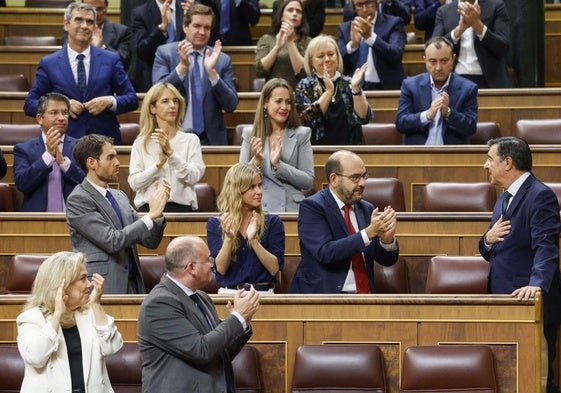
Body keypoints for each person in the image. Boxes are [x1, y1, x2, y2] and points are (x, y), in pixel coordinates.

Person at [479, 137, 561, 393]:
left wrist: (536, 285)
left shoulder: (540, 196)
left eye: (490, 159)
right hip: (503, 301)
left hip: (528, 302)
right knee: (508, 377)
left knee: (536, 378)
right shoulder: (504, 197)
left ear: (508, 162)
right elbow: (490, 249)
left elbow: (546, 246)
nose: (485, 165)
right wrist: (487, 240)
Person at [138, 235, 260, 393]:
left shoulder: (202, 298)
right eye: (208, 259)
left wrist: (244, 321)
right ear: (191, 268)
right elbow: (201, 350)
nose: (212, 264)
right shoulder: (159, 304)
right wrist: (238, 317)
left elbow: (220, 352)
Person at [66, 134, 170, 294]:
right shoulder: (79, 199)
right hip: (101, 287)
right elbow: (112, 241)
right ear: (92, 163)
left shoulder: (119, 196)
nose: (118, 163)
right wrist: (150, 215)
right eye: (110, 157)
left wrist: (158, 214)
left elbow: (150, 241)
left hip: (133, 285)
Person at [23, 3, 138, 145]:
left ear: (94, 27)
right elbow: (30, 104)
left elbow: (132, 99)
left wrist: (109, 101)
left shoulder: (111, 59)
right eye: (78, 20)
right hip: (63, 143)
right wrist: (62, 106)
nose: (84, 26)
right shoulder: (49, 63)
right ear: (66, 24)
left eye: (89, 22)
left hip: (104, 143)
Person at [290, 150, 399, 293]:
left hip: (364, 296)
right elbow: (325, 252)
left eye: (364, 176)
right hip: (324, 298)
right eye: (355, 177)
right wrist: (369, 232)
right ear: (334, 179)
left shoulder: (366, 209)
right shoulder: (313, 207)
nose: (363, 183)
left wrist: (386, 241)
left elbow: (386, 261)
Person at [16, 251, 123, 393]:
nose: (90, 284)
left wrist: (96, 305)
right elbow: (35, 358)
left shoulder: (89, 313)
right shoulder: (32, 318)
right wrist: (57, 315)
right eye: (83, 278)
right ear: (62, 284)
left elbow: (112, 348)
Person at [152, 4, 239, 146]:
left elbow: (231, 105)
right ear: (185, 27)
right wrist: (182, 67)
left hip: (211, 140)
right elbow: (156, 94)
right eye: (197, 26)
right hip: (174, 136)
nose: (202, 32)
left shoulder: (221, 60)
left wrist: (212, 73)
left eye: (207, 28)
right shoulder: (165, 53)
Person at [207, 163, 285, 293]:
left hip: (263, 294)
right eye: (252, 187)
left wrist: (253, 241)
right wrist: (229, 239)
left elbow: (274, 268)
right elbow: (220, 269)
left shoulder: (272, 222)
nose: (259, 192)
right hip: (230, 294)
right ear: (237, 190)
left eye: (260, 185)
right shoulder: (216, 223)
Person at [128, 82, 205, 212]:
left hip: (182, 211)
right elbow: (134, 183)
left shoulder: (191, 140)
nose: (172, 106)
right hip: (148, 211)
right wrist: (158, 165)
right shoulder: (141, 143)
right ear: (153, 108)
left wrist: (171, 154)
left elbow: (194, 176)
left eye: (175, 101)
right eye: (165, 101)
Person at [240, 78, 314, 212]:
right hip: (259, 209)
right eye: (278, 101)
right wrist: (255, 162)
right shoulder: (250, 134)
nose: (284, 107)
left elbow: (308, 181)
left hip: (291, 209)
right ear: (265, 104)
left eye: (288, 102)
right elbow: (239, 181)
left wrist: (279, 166)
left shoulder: (302, 134)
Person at [395, 36, 478, 144]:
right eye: (433, 62)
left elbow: (471, 127)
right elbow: (401, 123)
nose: (438, 67)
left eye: (444, 61)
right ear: (425, 60)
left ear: (453, 59)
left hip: (452, 155)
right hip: (416, 154)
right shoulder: (410, 85)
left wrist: (449, 113)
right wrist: (427, 115)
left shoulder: (468, 89)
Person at [295, 35, 373, 145]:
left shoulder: (348, 83)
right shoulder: (305, 85)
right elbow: (305, 120)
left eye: (331, 54)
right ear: (311, 62)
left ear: (337, 57)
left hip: (349, 151)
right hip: (317, 152)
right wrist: (329, 91)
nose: (327, 59)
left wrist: (355, 88)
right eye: (320, 56)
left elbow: (364, 118)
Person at [14, 93, 85, 212]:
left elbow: (88, 183)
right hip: (36, 223)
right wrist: (47, 157)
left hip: (76, 221)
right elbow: (22, 184)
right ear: (40, 119)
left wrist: (63, 163)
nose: (61, 118)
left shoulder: (81, 146)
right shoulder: (23, 149)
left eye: (65, 113)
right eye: (54, 113)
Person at [432, 0, 512, 88]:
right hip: (455, 79)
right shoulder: (444, 11)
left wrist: (478, 26)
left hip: (489, 80)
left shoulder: (496, 6)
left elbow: (503, 48)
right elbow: (434, 48)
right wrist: (458, 31)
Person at [338, 0, 406, 90]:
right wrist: (352, 45)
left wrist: (370, 38)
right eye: (359, 5)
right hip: (354, 87)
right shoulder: (346, 28)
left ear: (376, 3)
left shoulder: (393, 23)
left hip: (385, 87)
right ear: (354, 7)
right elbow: (338, 62)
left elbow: (396, 54)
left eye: (368, 3)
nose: (365, 9)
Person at [130, 0, 188, 92]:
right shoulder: (140, 13)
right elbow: (141, 51)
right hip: (154, 80)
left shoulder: (187, 7)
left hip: (187, 78)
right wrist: (162, 27)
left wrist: (192, 21)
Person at [254, 0, 311, 89]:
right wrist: (277, 47)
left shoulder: (308, 41)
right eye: (290, 10)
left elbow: (304, 73)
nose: (295, 13)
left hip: (300, 93)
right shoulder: (267, 39)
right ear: (281, 16)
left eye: (299, 11)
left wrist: (290, 42)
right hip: (274, 92)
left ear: (302, 18)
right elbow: (259, 71)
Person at [63, 0, 132, 71]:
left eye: (99, 9)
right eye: (90, 8)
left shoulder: (121, 31)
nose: (95, 13)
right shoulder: (73, 28)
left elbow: (124, 63)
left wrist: (102, 47)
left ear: (106, 7)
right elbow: (65, 57)